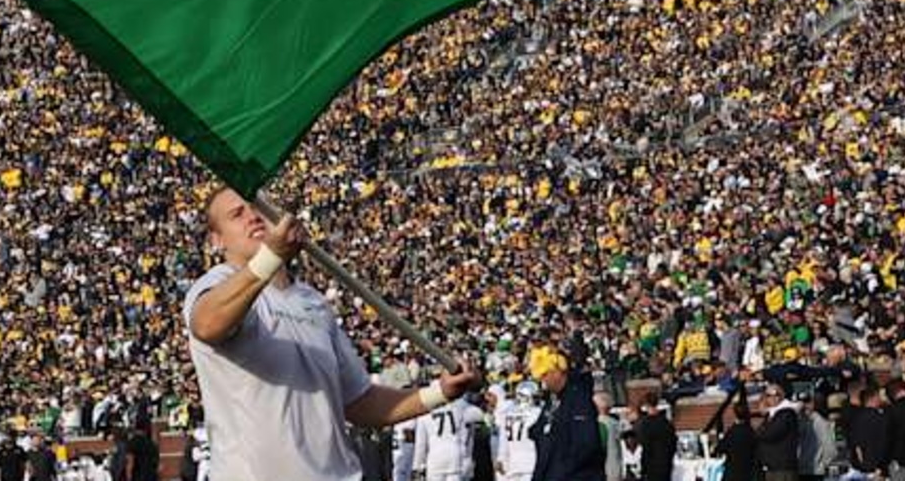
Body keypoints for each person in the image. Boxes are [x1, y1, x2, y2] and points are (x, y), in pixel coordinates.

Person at [184, 191, 485, 481]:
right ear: (216, 240)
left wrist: (441, 392)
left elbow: (360, 402)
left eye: (258, 207)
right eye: (237, 214)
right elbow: (208, 325)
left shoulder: (314, 302)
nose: (253, 217)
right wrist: (270, 256)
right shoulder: (214, 285)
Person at [531, 346, 605, 481]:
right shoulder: (551, 402)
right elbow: (539, 433)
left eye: (545, 375)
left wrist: (562, 472)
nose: (543, 381)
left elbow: (586, 444)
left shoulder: (579, 399)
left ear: (557, 372)